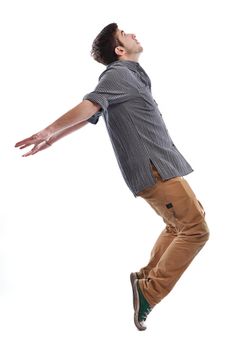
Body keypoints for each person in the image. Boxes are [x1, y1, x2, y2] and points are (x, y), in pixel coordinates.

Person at [15, 23, 210, 331]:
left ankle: (146, 277)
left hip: (162, 164)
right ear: (120, 51)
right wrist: (49, 131)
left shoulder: (133, 77)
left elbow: (96, 111)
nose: (132, 34)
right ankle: (149, 291)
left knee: (184, 221)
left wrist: (55, 139)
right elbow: (91, 104)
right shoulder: (117, 74)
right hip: (153, 167)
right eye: (124, 34)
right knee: (196, 230)